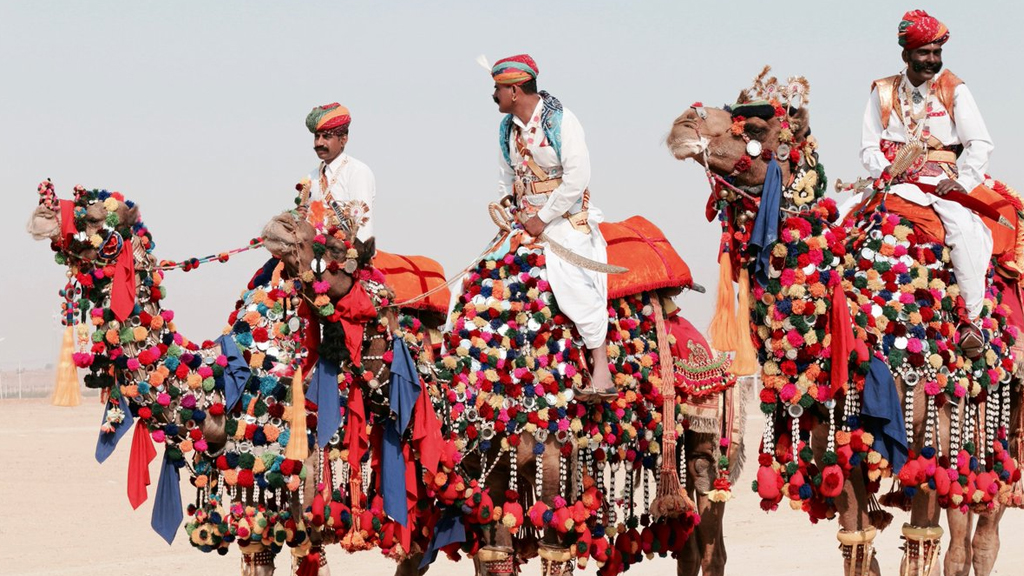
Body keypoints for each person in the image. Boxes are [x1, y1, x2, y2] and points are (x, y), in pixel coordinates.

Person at [858, 10, 994, 356]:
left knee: (964, 231)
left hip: (942, 185)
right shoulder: (883, 91)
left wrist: (962, 181)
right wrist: (887, 170)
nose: (932, 60)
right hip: (895, 183)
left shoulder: (954, 89)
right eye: (924, 53)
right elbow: (869, 147)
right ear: (906, 55)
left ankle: (971, 321)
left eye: (936, 53)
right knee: (846, 222)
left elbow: (979, 143)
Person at [491, 54, 614, 395]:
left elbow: (578, 178)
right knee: (480, 278)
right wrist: (512, 212)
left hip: (564, 220)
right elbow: (506, 177)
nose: (494, 97)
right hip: (523, 223)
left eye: (497, 90)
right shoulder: (505, 129)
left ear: (515, 90)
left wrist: (541, 219)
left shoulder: (561, 121)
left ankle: (600, 367)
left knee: (570, 279)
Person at [304, 102, 377, 241]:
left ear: (343, 139)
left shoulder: (357, 171)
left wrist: (356, 257)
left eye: (326, 137)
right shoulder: (311, 177)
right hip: (315, 252)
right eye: (317, 136)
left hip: (344, 252)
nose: (319, 143)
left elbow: (362, 226)